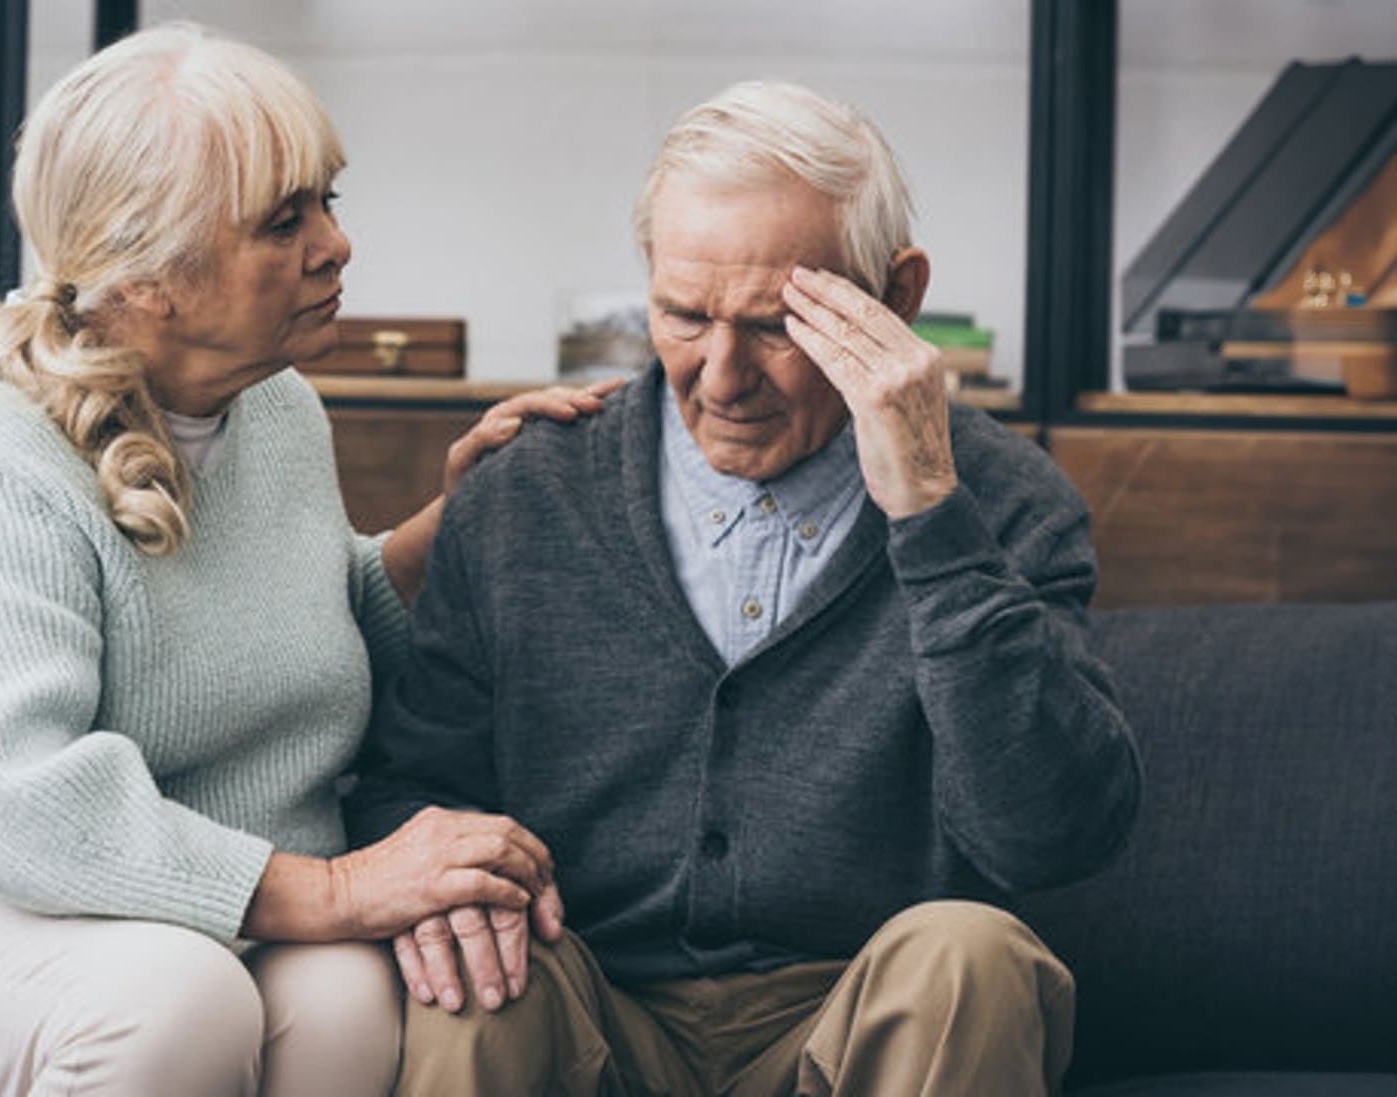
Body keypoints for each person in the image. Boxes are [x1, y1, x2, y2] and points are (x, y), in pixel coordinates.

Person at [0, 23, 600, 1097]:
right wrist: (328, 888)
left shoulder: (274, 408)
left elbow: (307, 616)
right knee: (177, 1000)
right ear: (145, 275)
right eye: (285, 221)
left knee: (343, 994)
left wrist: (455, 527)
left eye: (328, 201)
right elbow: (7, 798)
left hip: (153, 918)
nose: (335, 245)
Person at [347, 79, 1142, 1097]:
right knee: (468, 982)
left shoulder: (1003, 499)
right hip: (587, 997)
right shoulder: (528, 490)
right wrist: (439, 874)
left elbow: (1053, 833)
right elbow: (402, 783)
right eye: (683, 314)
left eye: (775, 325)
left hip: (863, 1014)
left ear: (896, 298)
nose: (721, 377)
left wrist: (933, 518)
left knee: (970, 954)